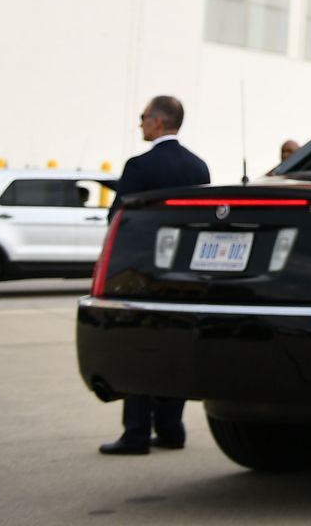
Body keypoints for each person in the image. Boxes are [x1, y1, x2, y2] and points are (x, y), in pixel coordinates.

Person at [98, 95, 210, 456]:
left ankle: (135, 433)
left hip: (143, 270)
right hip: (184, 272)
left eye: (143, 117)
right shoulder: (199, 166)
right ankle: (171, 427)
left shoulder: (139, 166)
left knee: (138, 348)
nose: (140, 123)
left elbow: (118, 218)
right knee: (172, 347)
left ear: (158, 122)